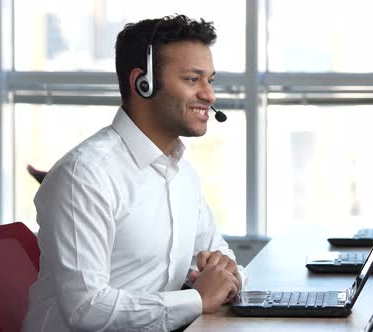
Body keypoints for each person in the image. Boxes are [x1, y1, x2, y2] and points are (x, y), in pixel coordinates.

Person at [23, 14, 246, 332]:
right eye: (192, 80)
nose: (209, 95)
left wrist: (228, 274)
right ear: (143, 83)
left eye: (210, 80)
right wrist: (197, 300)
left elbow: (219, 254)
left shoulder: (183, 175)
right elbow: (87, 308)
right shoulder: (85, 176)